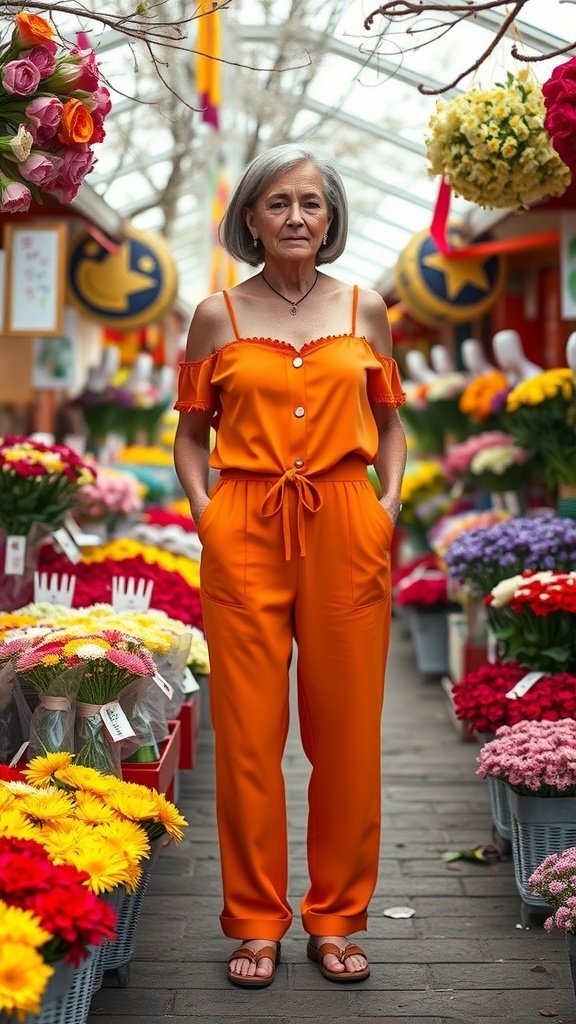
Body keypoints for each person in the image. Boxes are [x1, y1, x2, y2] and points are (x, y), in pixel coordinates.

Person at [173, 143, 407, 989]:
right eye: (278, 204)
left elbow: (392, 423)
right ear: (250, 218)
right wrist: (207, 514)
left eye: (312, 202)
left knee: (346, 736)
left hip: (347, 522)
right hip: (245, 522)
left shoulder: (367, 309)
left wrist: (387, 507)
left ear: (333, 216)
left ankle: (339, 917)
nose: (297, 217)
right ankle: (258, 920)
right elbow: (190, 434)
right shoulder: (217, 316)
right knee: (246, 736)